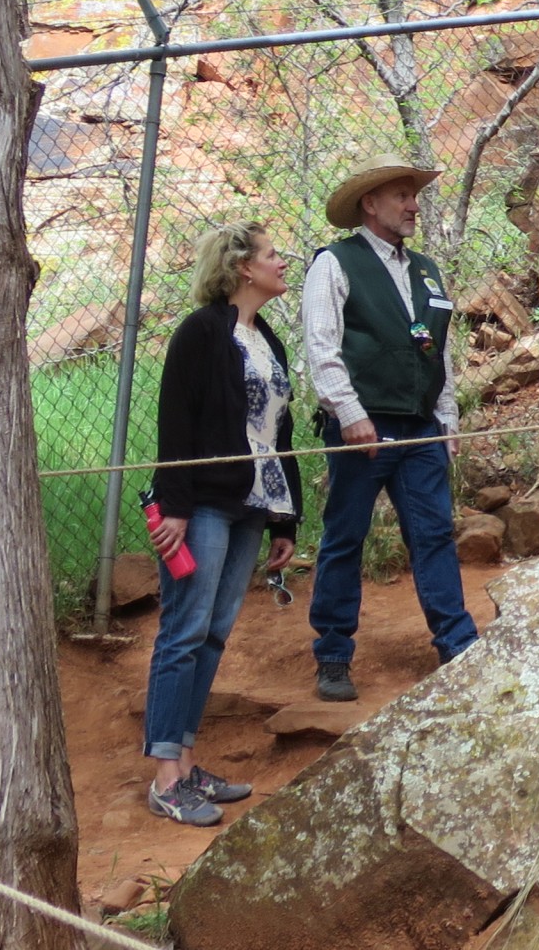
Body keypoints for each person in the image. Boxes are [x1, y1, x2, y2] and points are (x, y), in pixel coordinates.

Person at [142, 221, 303, 827]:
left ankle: (186, 764)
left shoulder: (267, 338)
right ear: (242, 267)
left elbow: (279, 433)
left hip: (254, 503)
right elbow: (175, 421)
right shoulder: (201, 331)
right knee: (184, 631)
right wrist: (176, 506)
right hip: (203, 503)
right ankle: (165, 780)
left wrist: (286, 518)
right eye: (273, 254)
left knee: (212, 633)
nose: (282, 262)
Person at [302, 154, 478, 702]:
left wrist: (447, 419)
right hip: (364, 427)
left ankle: (457, 644)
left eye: (413, 194)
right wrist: (350, 414)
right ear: (370, 203)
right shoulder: (335, 263)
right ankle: (333, 654)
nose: (413, 205)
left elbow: (437, 350)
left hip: (422, 426)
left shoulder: (426, 268)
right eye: (402, 195)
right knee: (345, 535)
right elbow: (321, 346)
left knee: (433, 533)